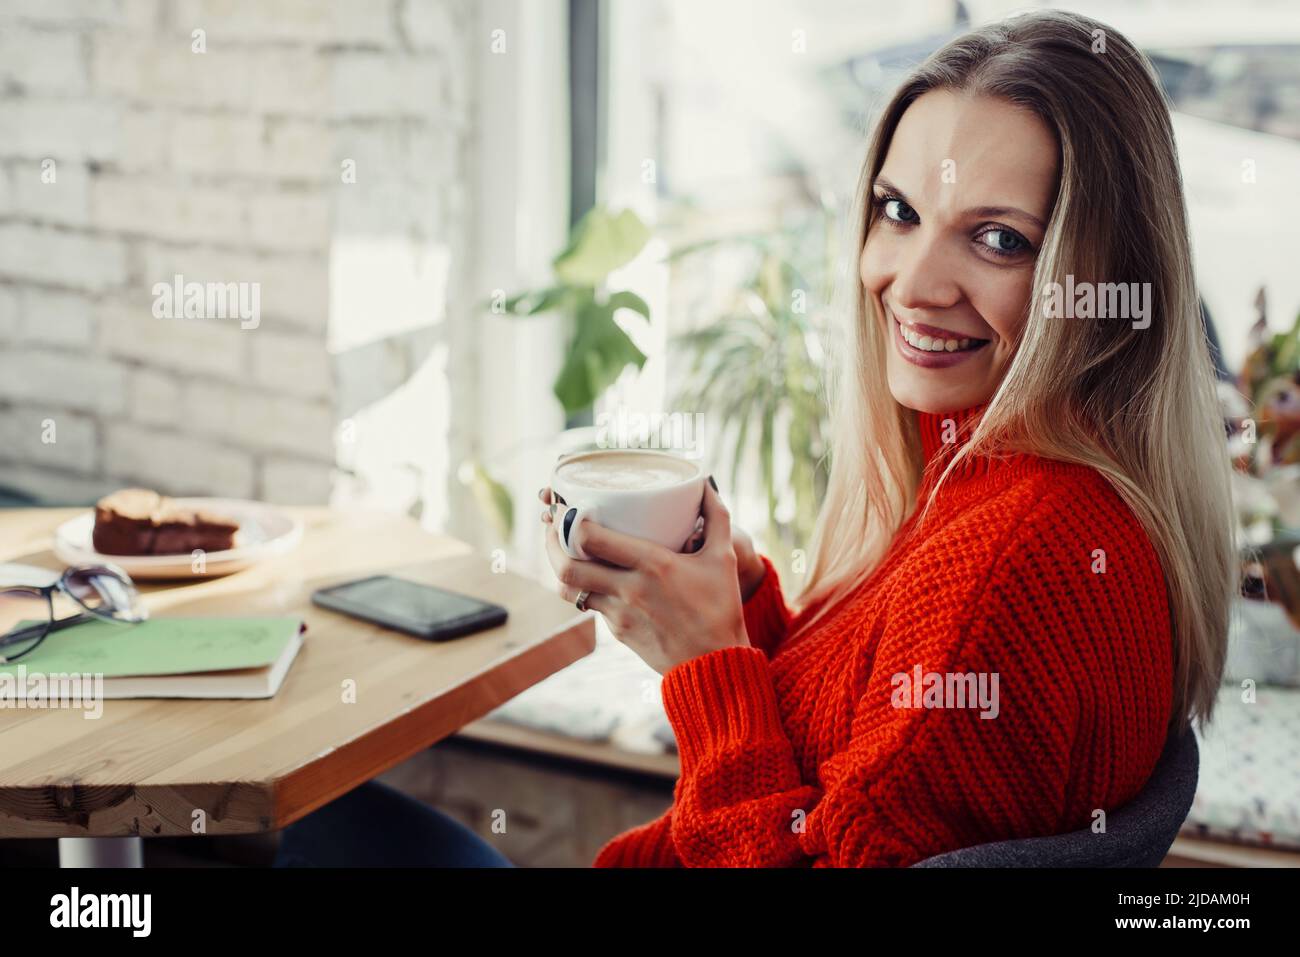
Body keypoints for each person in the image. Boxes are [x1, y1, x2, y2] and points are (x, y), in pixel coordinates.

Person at [541, 8, 1235, 867]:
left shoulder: (1018, 559)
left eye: (998, 238)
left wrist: (709, 668)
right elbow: (873, 750)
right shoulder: (991, 474)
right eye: (899, 211)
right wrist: (745, 607)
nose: (913, 284)